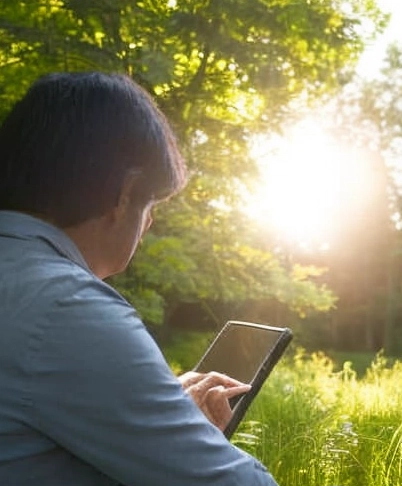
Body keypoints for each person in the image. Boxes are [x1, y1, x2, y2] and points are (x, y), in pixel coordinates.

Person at [0, 72, 279, 485]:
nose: (148, 224)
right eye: (151, 204)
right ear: (126, 193)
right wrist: (189, 430)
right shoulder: (69, 306)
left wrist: (159, 410)